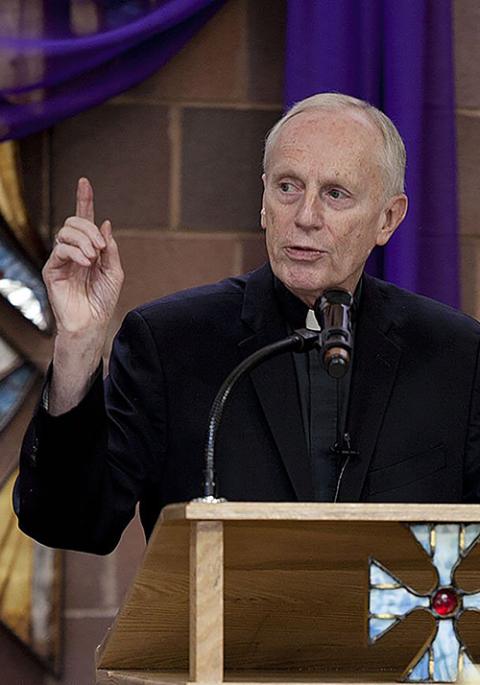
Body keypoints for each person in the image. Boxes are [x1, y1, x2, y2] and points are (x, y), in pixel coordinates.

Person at [14, 93, 480, 555]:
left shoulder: (455, 354)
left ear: (388, 219)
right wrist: (77, 344)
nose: (305, 217)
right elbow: (68, 523)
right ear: (263, 201)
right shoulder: (172, 341)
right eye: (288, 187)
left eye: (335, 194)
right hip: (220, 630)